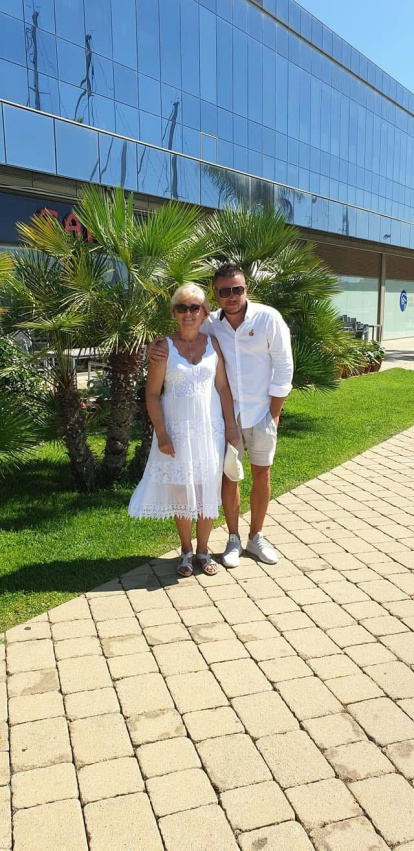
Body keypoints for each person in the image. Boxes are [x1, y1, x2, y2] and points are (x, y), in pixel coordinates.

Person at [148, 264, 294, 568]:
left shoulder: (268, 318)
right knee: (228, 477)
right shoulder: (211, 323)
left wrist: (274, 413)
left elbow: (284, 368)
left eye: (237, 289)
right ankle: (233, 539)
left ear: (246, 289)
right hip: (224, 416)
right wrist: (153, 347)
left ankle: (256, 537)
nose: (232, 296)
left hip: (261, 412)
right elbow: (180, 337)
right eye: (224, 291)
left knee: (261, 475)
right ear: (215, 295)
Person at [128, 283, 238, 577]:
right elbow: (151, 394)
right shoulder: (162, 347)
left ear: (204, 312)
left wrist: (231, 428)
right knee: (181, 493)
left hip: (209, 430)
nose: (189, 313)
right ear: (173, 312)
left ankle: (203, 550)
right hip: (176, 433)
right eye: (182, 307)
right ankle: (186, 551)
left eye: (194, 307)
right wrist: (161, 433)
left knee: (206, 490)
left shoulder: (212, 344)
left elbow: (223, 388)